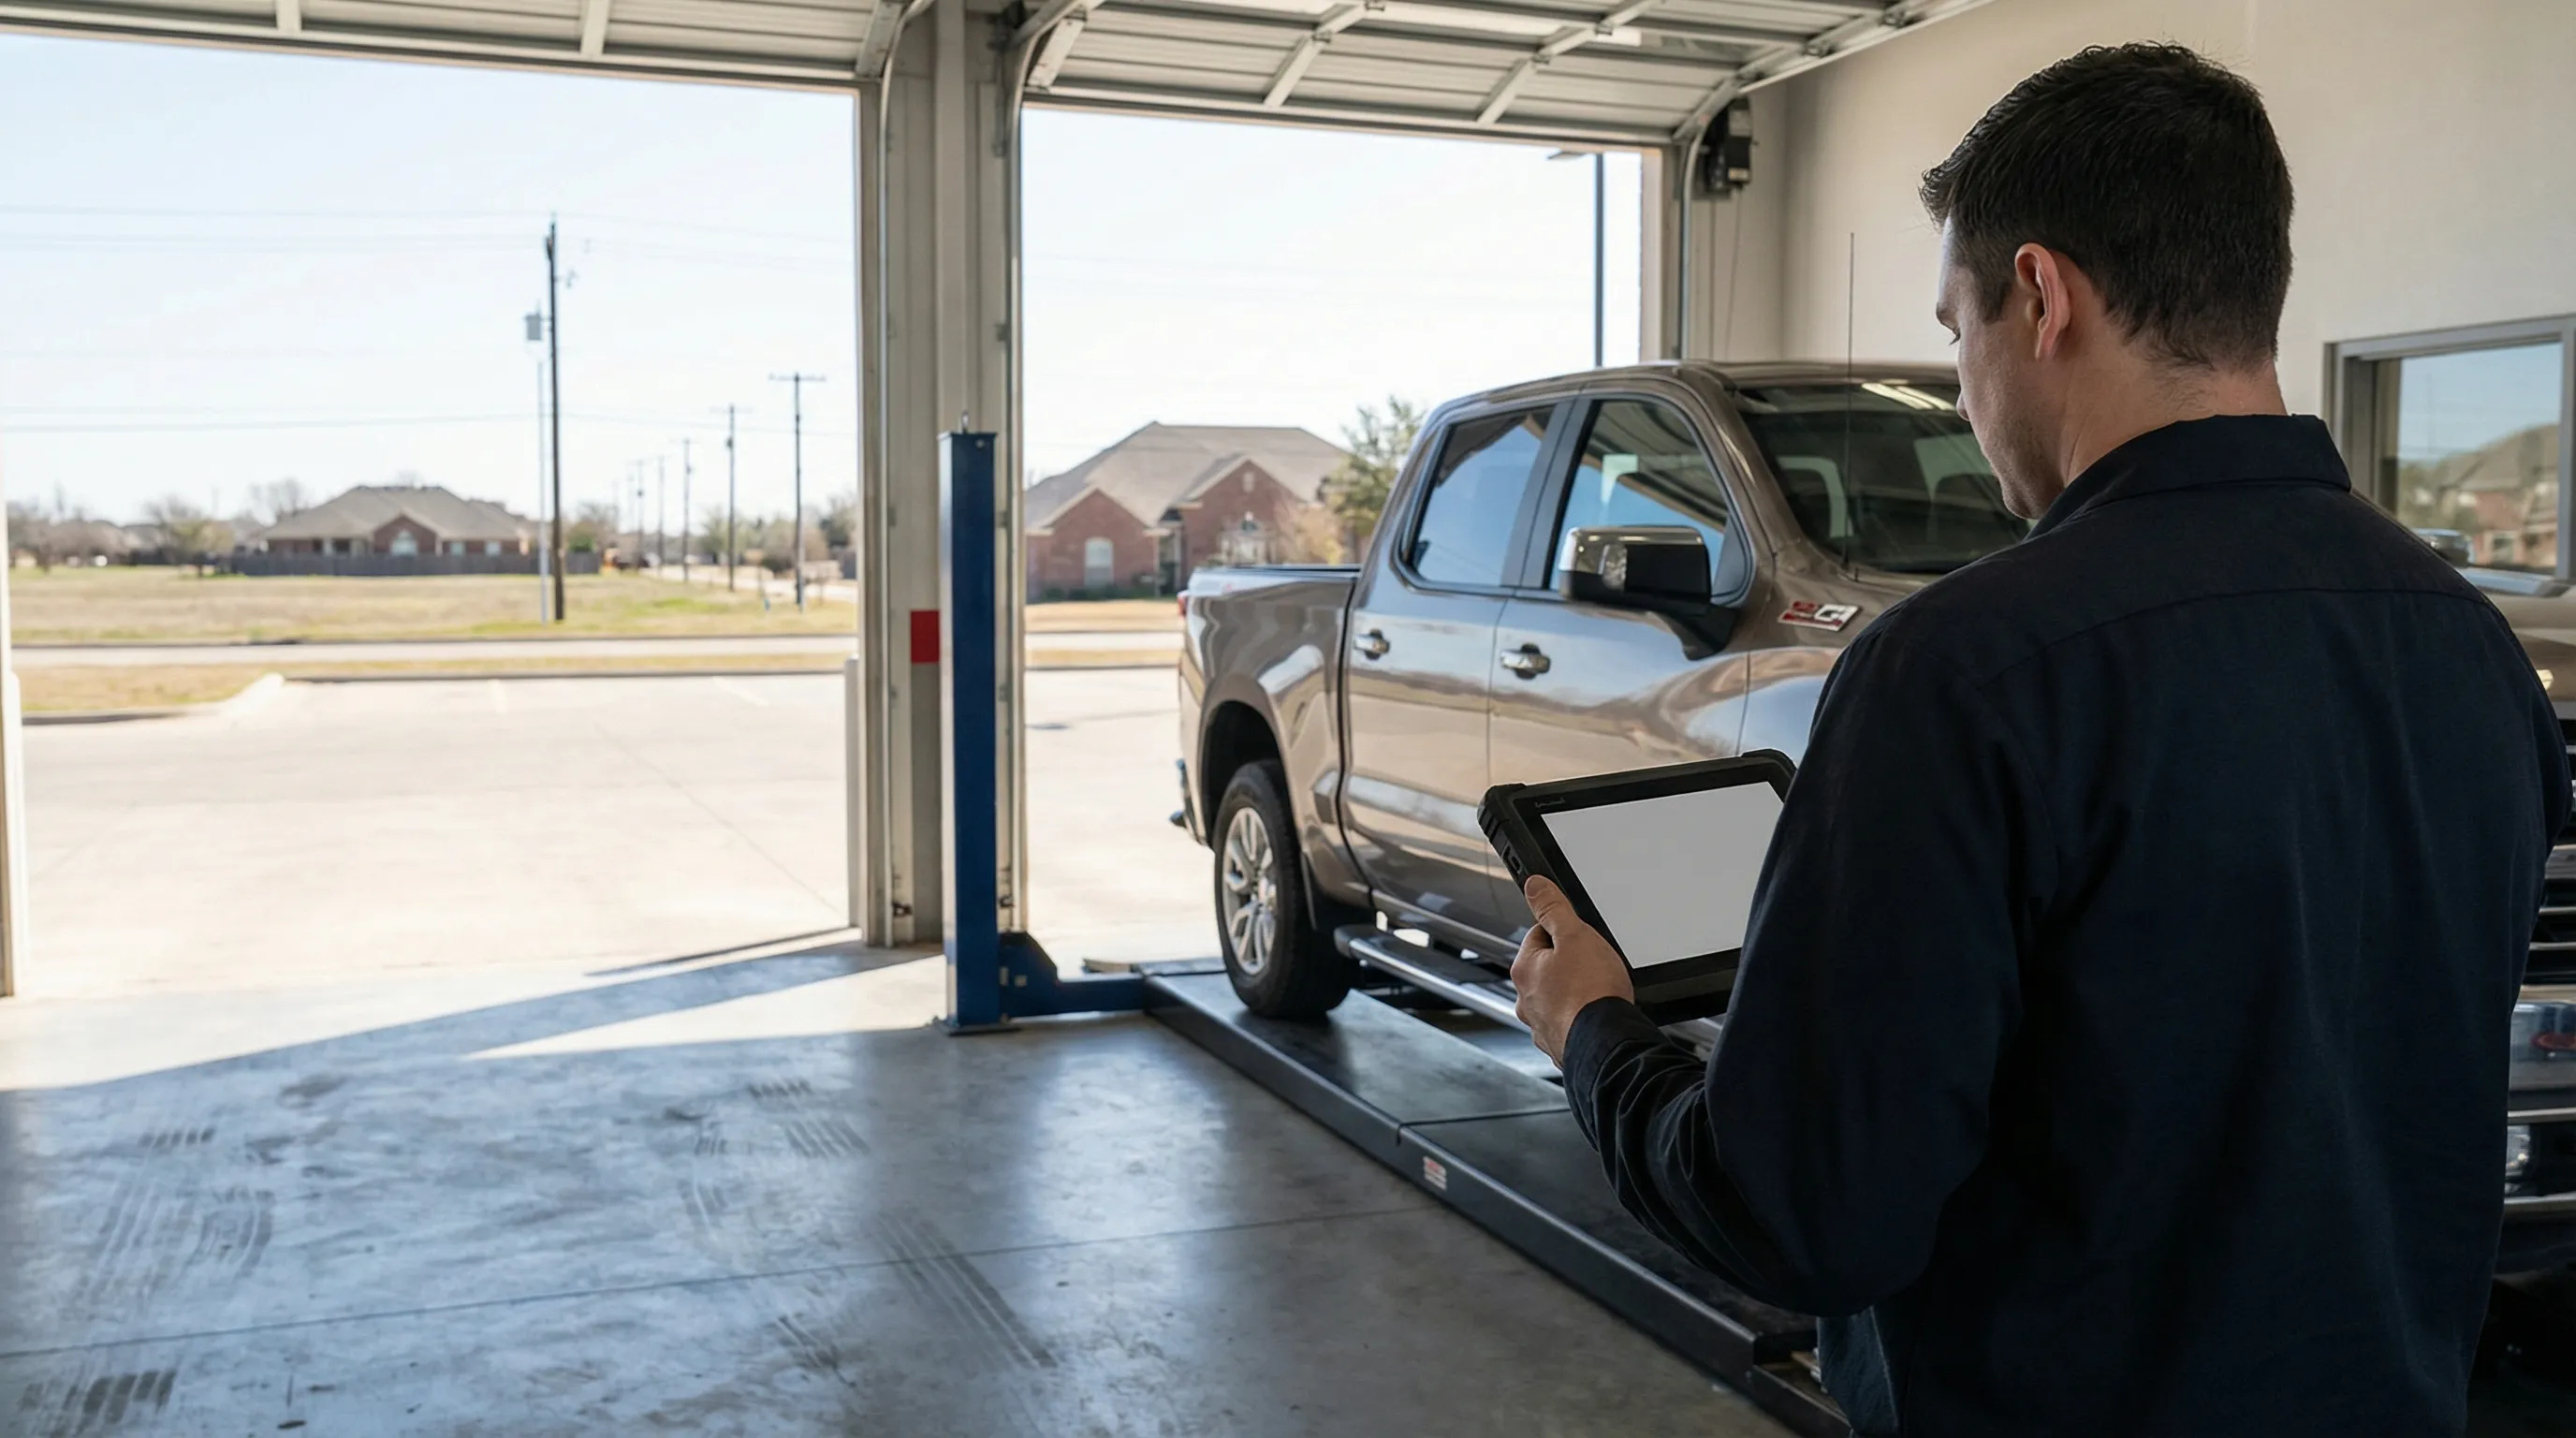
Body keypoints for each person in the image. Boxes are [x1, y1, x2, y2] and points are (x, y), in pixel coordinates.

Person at [1509, 43, 2567, 1436]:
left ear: (2041, 295)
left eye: (1956, 330)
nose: (1961, 389)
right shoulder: (2472, 646)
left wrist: (1595, 1031)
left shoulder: (1961, 672)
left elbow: (1803, 1214)